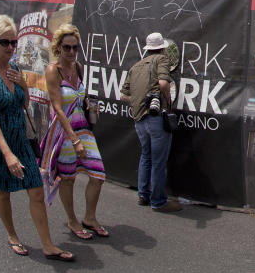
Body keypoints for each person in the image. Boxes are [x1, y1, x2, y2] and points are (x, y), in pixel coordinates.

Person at [0, 14, 73, 261]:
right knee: (3, 190)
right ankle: (12, 235)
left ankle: (48, 245)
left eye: (13, 42)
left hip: (21, 139)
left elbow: (25, 103)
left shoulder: (15, 68)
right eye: (4, 42)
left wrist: (22, 84)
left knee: (36, 190)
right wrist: (7, 153)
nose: (10, 48)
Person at [39, 24, 107, 238]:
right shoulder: (53, 70)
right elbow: (57, 108)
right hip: (63, 131)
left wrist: (88, 104)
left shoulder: (78, 67)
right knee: (67, 177)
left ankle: (90, 217)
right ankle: (72, 220)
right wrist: (73, 139)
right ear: (58, 47)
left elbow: (79, 94)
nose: (70, 52)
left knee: (98, 174)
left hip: (83, 127)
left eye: (74, 47)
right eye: (66, 47)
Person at [120, 32, 180, 212]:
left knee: (146, 156)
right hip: (155, 118)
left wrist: (140, 100)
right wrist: (168, 103)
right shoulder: (162, 60)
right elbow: (163, 84)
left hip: (139, 119)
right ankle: (158, 201)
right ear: (162, 48)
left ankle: (143, 195)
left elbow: (123, 95)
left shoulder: (136, 66)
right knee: (158, 161)